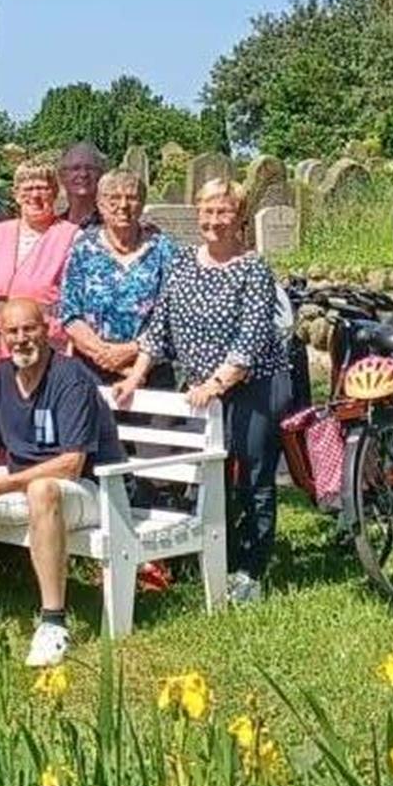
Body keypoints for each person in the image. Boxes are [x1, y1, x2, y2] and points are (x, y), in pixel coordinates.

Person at [0, 299, 125, 668]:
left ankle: (53, 621)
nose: (21, 339)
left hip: (94, 490)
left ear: (46, 330)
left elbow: (71, 464)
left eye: (29, 329)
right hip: (20, 485)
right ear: (0, 336)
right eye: (11, 331)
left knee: (42, 489)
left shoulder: (71, 377)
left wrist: (1, 486)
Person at [115, 178, 287, 605]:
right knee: (203, 475)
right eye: (207, 212)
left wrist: (216, 384)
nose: (214, 221)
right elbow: (158, 330)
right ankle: (212, 557)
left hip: (253, 386)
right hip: (199, 390)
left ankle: (250, 568)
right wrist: (135, 377)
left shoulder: (254, 269)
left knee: (251, 475)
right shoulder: (183, 264)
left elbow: (250, 341)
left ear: (239, 217)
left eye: (223, 212)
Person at [60, 168, 178, 384]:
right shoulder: (83, 248)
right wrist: (106, 355)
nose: (123, 206)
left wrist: (131, 353)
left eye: (131, 198)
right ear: (100, 204)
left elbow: (173, 314)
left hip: (151, 370)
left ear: (142, 204)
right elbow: (70, 314)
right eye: (113, 198)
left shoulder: (163, 249)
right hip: (91, 370)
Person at [0, 161, 79, 357]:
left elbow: (78, 307)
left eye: (43, 188)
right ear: (16, 194)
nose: (35, 196)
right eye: (28, 189)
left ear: (55, 193)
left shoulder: (72, 237)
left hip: (44, 358)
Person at [57, 142, 107, 228]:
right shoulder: (53, 226)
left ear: (101, 174)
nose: (83, 174)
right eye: (75, 168)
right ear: (62, 176)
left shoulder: (113, 225)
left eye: (90, 168)